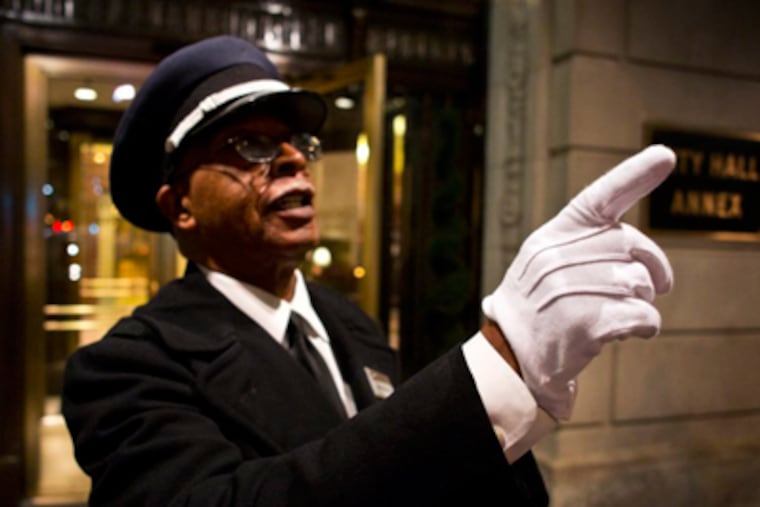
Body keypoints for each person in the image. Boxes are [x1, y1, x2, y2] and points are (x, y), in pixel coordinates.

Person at [62, 35, 675, 507]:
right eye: (247, 144)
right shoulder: (126, 367)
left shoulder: (345, 320)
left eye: (298, 143)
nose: (293, 159)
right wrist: (496, 368)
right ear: (181, 207)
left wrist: (529, 393)